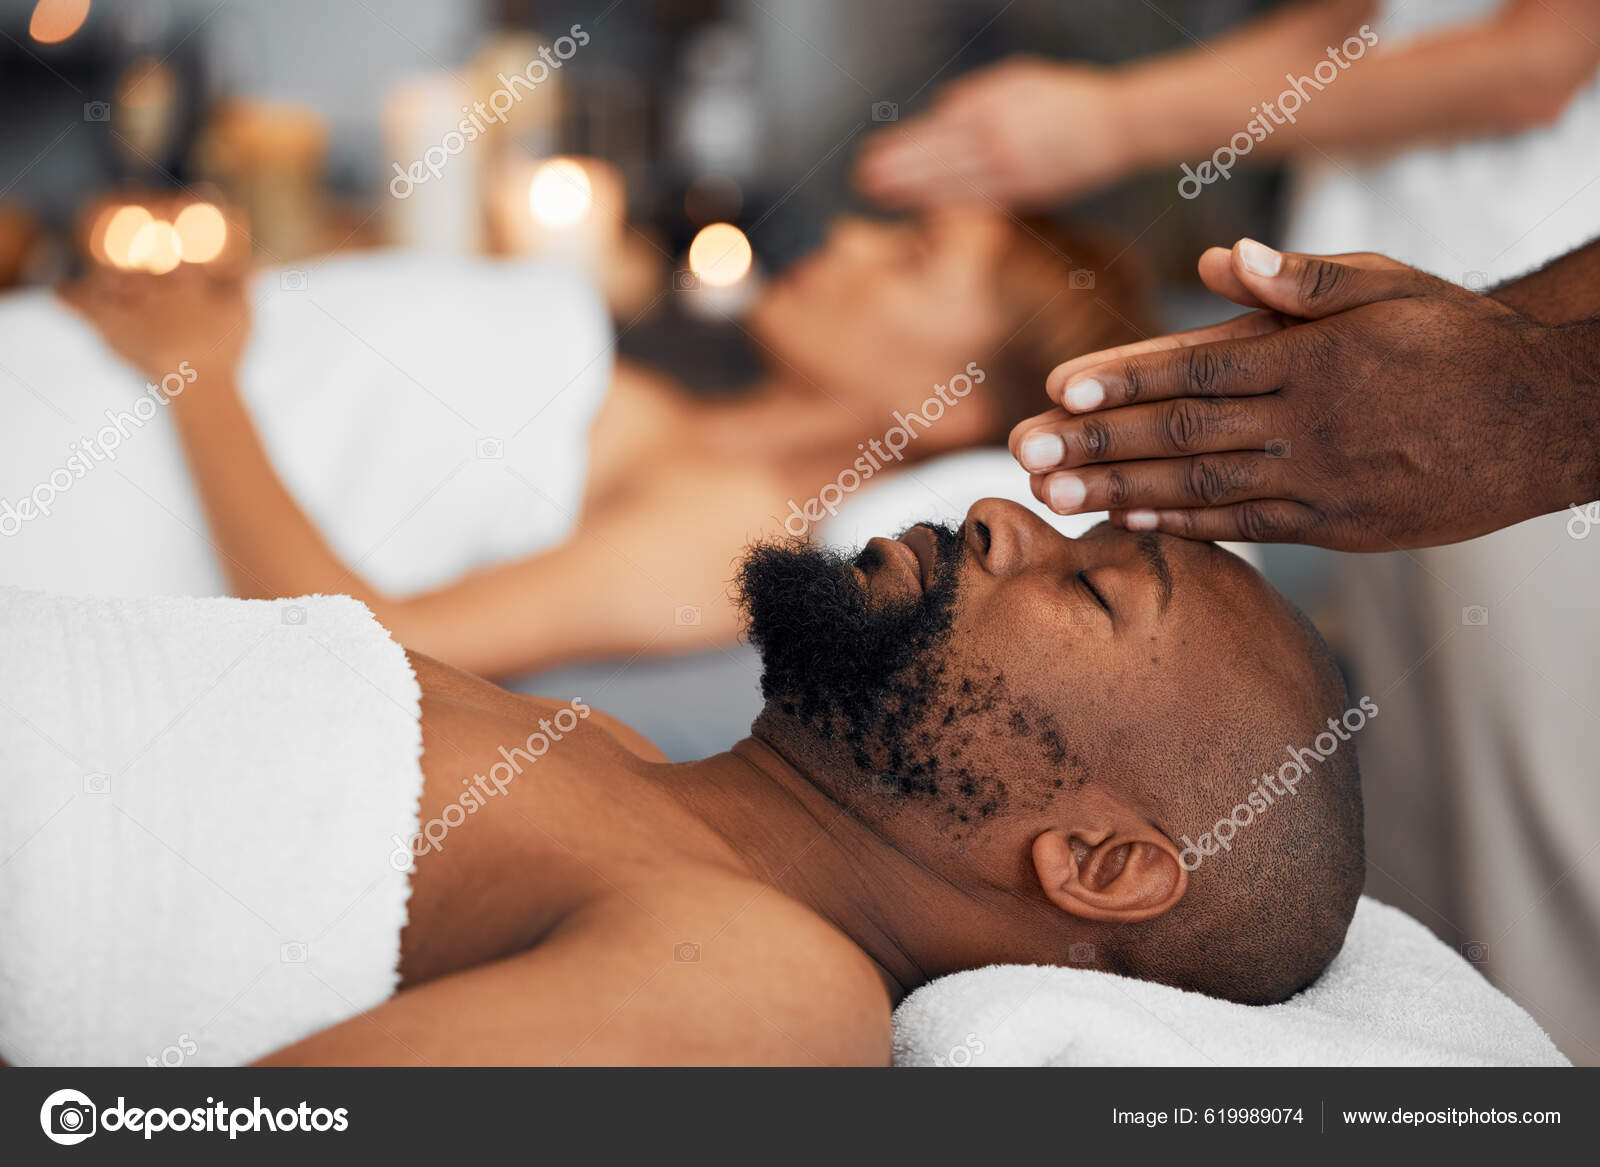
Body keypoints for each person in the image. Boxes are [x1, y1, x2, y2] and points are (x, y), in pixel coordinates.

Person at [236, 498, 1361, 1063]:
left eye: (1093, 590)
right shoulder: (603, 743)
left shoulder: (773, 995)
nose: (996, 516)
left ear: (1100, 865)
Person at [62, 208, 1148, 680]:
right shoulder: (672, 411)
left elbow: (361, 640)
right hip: (80, 365)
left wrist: (194, 372)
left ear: (954, 406)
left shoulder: (727, 535)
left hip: (95, 469)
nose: (852, 236)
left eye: (909, 254)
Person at [855, 0, 1600, 211]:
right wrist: (1095, 115)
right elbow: (1364, 20)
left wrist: (1116, 121)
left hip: (1518, 227)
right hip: (1363, 211)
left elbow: (1533, 64)